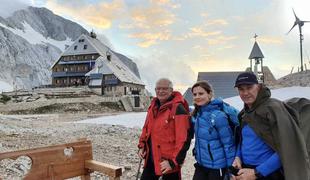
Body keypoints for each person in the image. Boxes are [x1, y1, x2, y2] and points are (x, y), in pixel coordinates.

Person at [231, 72, 310, 180]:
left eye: (249, 87)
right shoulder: (244, 114)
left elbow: (288, 147)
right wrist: (238, 157)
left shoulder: (274, 109)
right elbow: (242, 140)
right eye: (241, 89)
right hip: (247, 171)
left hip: (269, 173)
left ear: (258, 87)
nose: (245, 93)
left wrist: (257, 172)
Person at [138, 78, 192, 180]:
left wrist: (173, 162)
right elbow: (146, 128)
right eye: (158, 89)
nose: (161, 91)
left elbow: (184, 139)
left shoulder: (178, 108)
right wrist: (142, 145)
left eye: (164, 89)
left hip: (168, 163)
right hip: (151, 158)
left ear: (171, 90)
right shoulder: (153, 106)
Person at [191, 80, 239, 180]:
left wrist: (231, 169)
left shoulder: (218, 116)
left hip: (217, 167)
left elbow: (228, 144)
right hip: (201, 164)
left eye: (201, 93)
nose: (197, 97)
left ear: (210, 94)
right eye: (195, 94)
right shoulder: (198, 114)